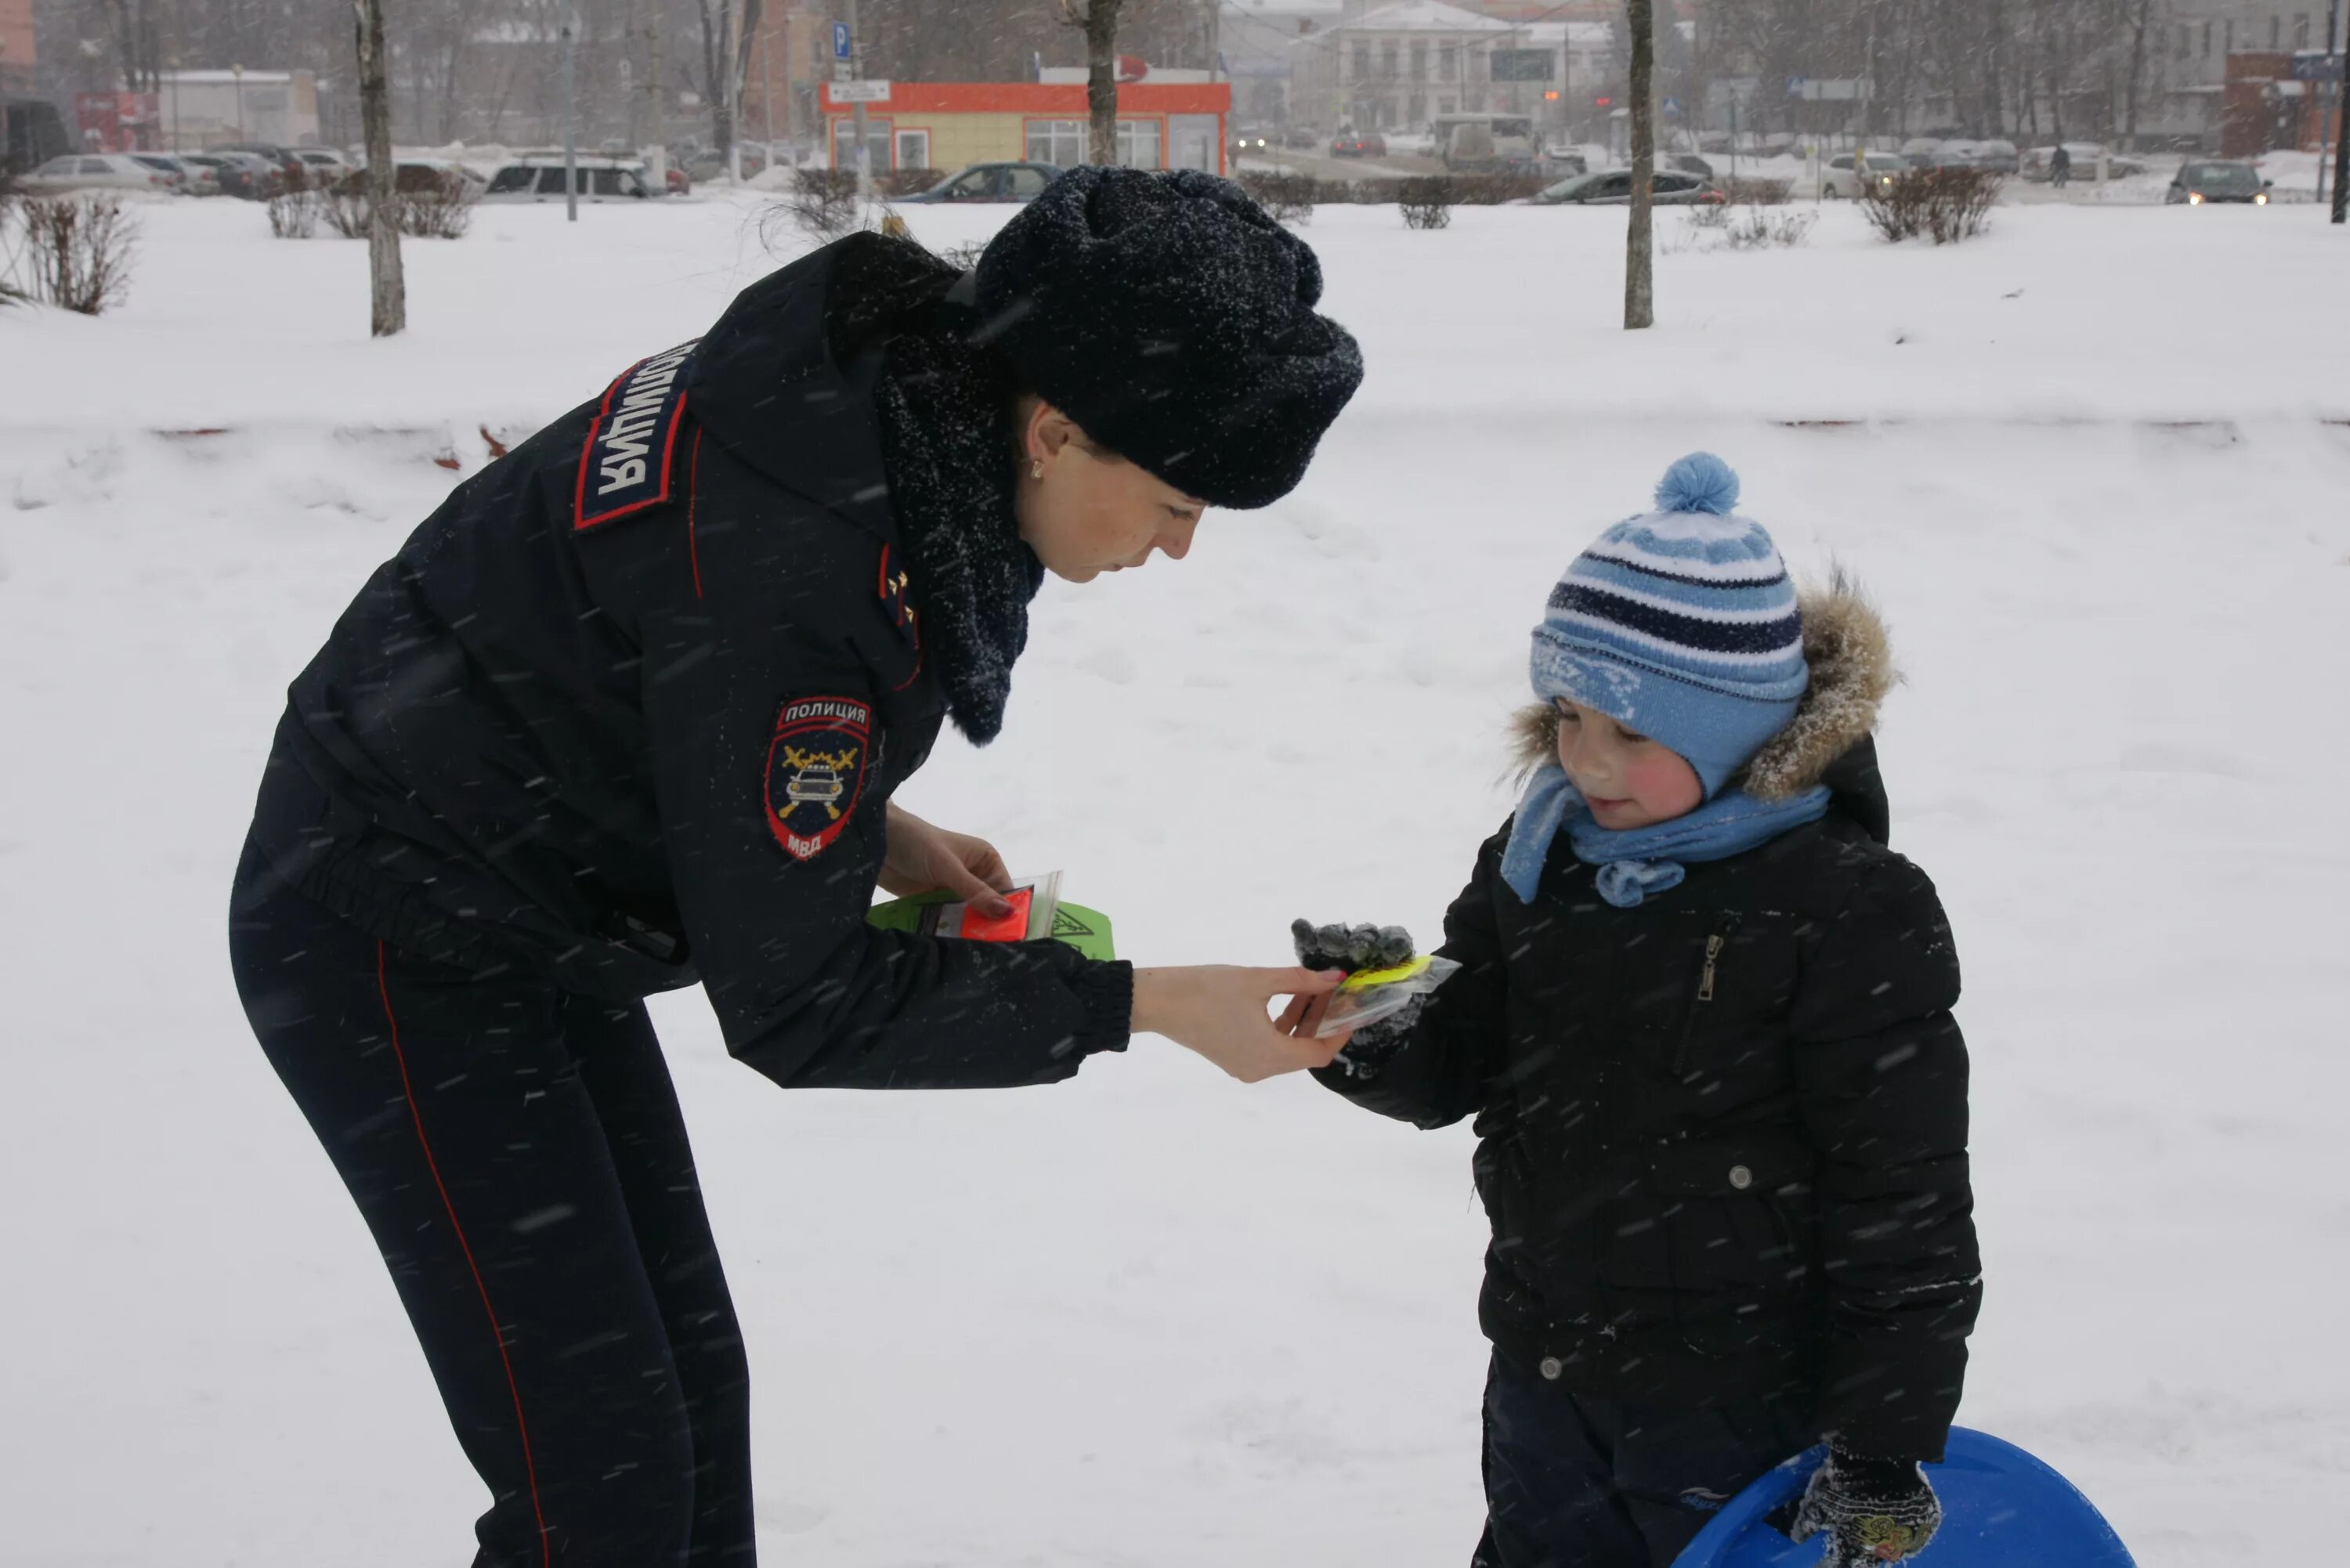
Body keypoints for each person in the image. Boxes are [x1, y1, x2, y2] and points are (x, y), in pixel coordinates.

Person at [227, 167, 1361, 1567]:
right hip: (395, 932)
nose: (1181, 547)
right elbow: (800, 1003)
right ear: (1057, 430)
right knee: (602, 1490)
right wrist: (1140, 1003)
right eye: (1181, 500)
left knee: (684, 1409)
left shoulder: (868, 387)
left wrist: (866, 823)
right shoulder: (805, 559)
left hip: (518, 886)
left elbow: (647, 654)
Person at [1287, 454, 1981, 1568]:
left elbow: (1904, 1199)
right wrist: (1371, 1014)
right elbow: (1457, 1055)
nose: (1583, 758)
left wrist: (1884, 1447)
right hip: (1544, 1371)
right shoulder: (1542, 855)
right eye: (1566, 715)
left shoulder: (1849, 910)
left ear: (1731, 732)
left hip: (1748, 1401)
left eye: (1632, 733)